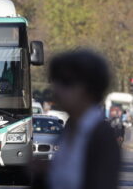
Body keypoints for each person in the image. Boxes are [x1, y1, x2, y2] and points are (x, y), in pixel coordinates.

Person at [33, 49, 121, 189]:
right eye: (55, 81)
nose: (56, 90)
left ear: (88, 89)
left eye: (66, 82)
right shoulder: (69, 128)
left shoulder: (101, 135)